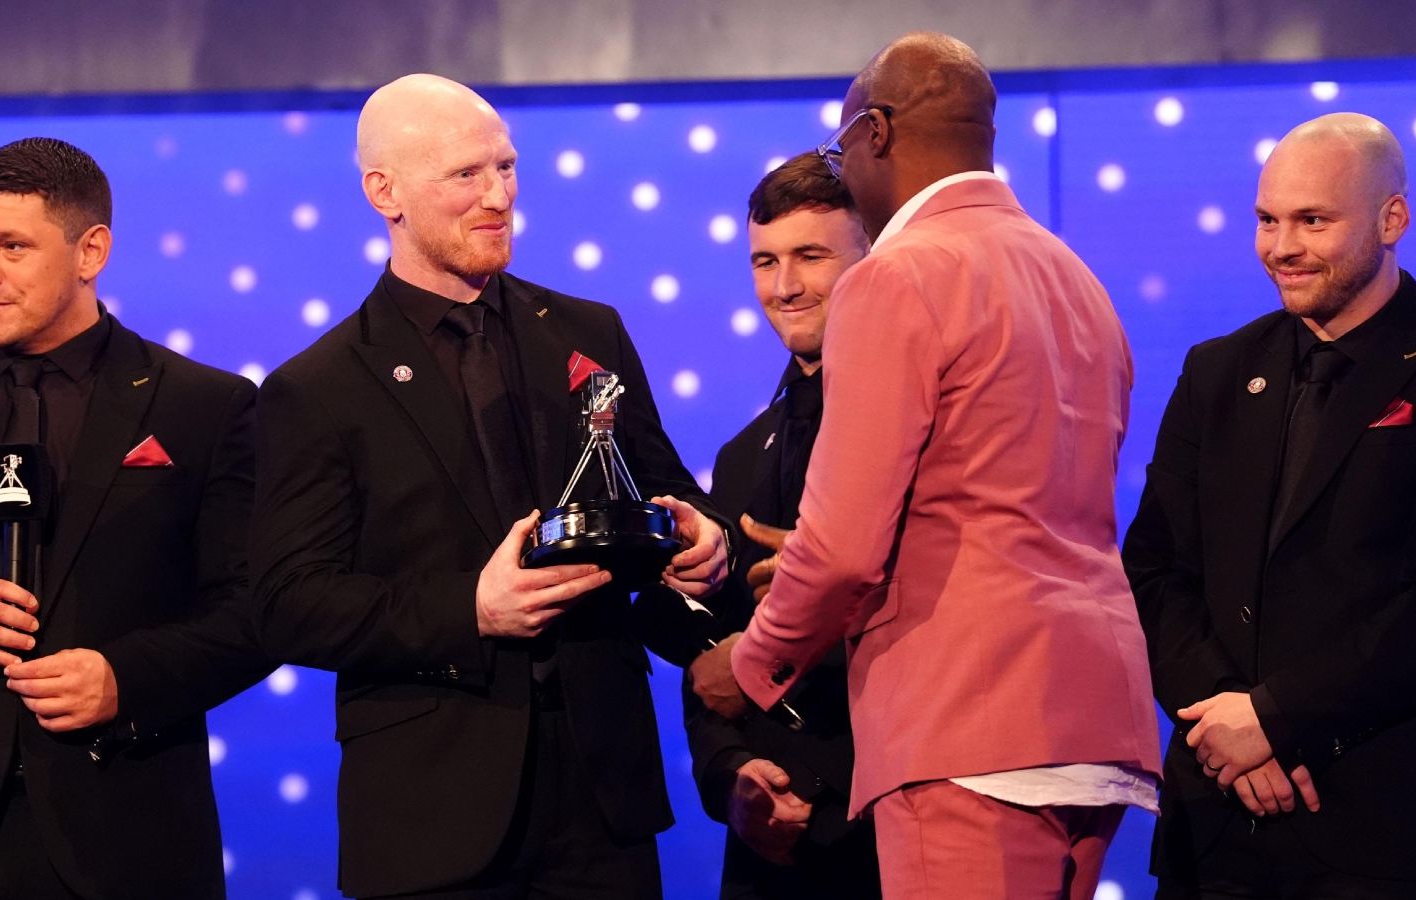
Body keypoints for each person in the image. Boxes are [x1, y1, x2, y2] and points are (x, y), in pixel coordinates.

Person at [689, 32, 1163, 899]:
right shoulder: (1076, 279)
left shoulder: (897, 277)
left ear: (876, 132)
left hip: (967, 722)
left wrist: (750, 661)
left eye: (842, 148)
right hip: (1097, 723)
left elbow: (841, 550)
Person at [248, 74, 728, 900]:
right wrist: (471, 607)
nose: (498, 195)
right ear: (383, 192)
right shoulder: (316, 388)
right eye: (466, 175)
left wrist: (702, 538)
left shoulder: (588, 331)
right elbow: (288, 603)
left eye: (505, 168)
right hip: (431, 814)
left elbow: (665, 491)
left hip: (601, 795)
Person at [0, 138, 271, 899]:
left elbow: (258, 609)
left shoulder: (203, 407)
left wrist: (126, 678)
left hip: (129, 834)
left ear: (91, 252)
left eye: (12, 246)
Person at [1124, 113, 1416, 898]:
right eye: (1267, 220)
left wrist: (1275, 720)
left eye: (1313, 220)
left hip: (1381, 829)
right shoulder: (1216, 372)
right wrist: (1228, 734)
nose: (1281, 247)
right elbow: (1151, 574)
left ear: (1393, 219)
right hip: (1213, 827)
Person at [675, 153, 879, 899]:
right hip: (770, 851)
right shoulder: (738, 456)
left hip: (892, 822)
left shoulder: (921, 428)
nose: (784, 286)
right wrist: (731, 779)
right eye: (765, 260)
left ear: (873, 257)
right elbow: (709, 655)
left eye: (810, 256)